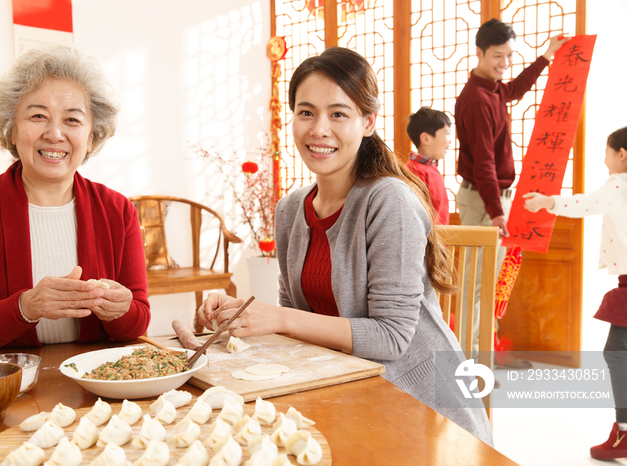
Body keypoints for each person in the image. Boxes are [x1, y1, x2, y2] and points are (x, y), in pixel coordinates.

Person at [196, 47, 493, 445]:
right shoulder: (290, 210)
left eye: (338, 114)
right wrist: (239, 319)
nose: (319, 129)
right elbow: (297, 318)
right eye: (306, 112)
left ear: (368, 122)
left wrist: (278, 320)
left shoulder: (390, 200)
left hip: (425, 408)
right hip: (350, 392)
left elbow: (391, 338)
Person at [0, 44, 150, 359]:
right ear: (12, 130)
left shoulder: (118, 210)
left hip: (96, 389)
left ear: (91, 138)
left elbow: (137, 323)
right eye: (38, 116)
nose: (54, 134)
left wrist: (120, 309)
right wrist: (27, 307)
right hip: (8, 389)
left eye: (72, 121)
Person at [455, 19, 568, 354]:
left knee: (485, 285)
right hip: (482, 202)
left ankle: (480, 356)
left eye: (509, 56)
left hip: (491, 200)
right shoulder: (477, 99)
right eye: (497, 56)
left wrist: (546, 57)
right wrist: (496, 212)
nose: (504, 64)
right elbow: (485, 164)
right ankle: (468, 362)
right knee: (476, 288)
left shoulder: (492, 89)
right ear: (479, 52)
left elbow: (515, 90)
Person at [524, 126, 627, 460]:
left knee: (616, 353)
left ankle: (624, 431)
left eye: (607, 152)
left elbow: (587, 203)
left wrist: (547, 201)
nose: (604, 159)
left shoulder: (619, 184)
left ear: (621, 155)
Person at [406, 107, 452, 225]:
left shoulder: (430, 168)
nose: (450, 141)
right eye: (447, 133)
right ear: (425, 138)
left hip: (440, 241)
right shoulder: (414, 171)